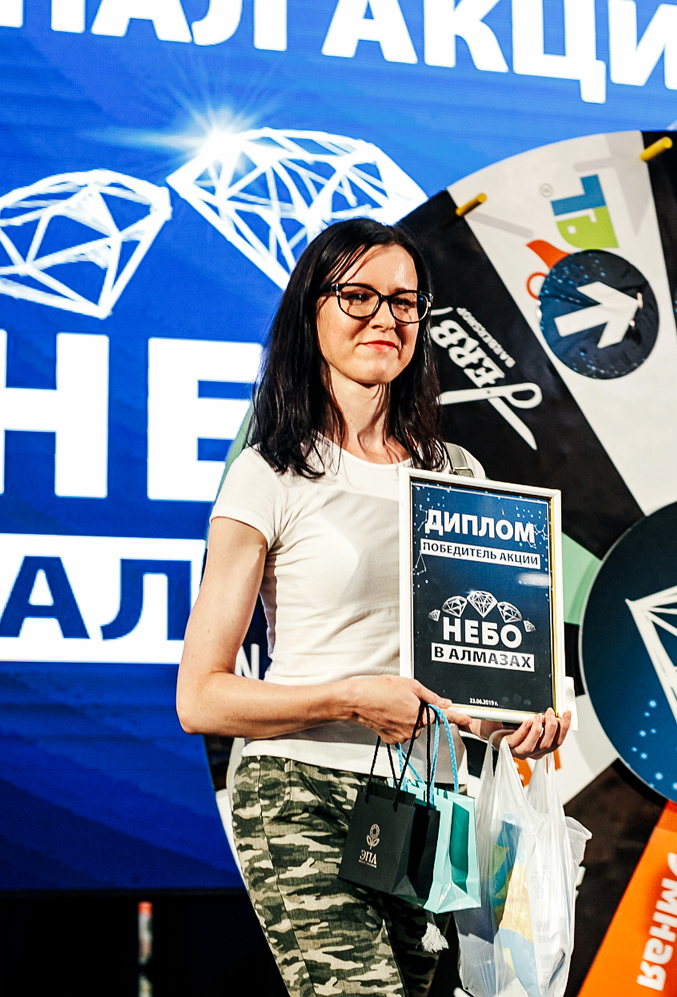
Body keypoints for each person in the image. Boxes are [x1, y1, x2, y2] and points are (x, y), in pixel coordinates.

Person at [177, 218, 571, 997]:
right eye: (358, 296)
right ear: (312, 312)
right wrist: (351, 699)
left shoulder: (456, 473)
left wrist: (518, 718)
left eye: (404, 301)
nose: (384, 318)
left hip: (425, 804)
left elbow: (467, 674)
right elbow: (201, 698)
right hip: (299, 789)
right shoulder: (271, 472)